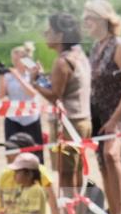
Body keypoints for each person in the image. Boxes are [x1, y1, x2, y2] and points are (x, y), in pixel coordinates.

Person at [83, 0, 121, 214]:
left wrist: (114, 120)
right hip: (99, 113)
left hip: (120, 112)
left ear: (101, 19)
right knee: (103, 163)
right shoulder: (95, 47)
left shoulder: (120, 45)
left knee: (111, 155)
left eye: (88, 18)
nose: (85, 23)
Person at [30, 13, 92, 198]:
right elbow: (66, 87)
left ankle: (69, 211)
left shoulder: (62, 61)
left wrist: (34, 83)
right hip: (82, 119)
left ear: (60, 35)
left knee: (66, 175)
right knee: (77, 171)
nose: (45, 34)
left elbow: (55, 95)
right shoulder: (79, 55)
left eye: (49, 31)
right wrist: (44, 79)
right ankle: (78, 211)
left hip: (67, 124)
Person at [0, 42, 45, 163]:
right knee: (12, 151)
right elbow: (0, 96)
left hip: (31, 117)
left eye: (17, 59)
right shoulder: (8, 76)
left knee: (35, 151)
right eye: (13, 59)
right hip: (13, 118)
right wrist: (1, 75)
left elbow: (32, 93)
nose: (15, 62)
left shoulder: (32, 74)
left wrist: (17, 76)